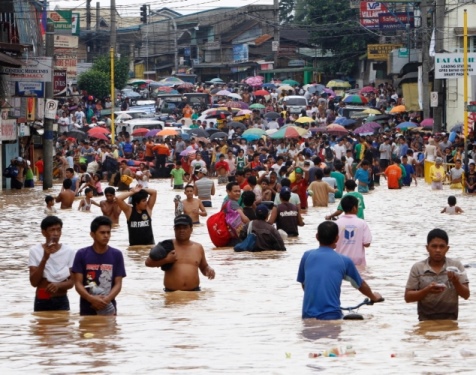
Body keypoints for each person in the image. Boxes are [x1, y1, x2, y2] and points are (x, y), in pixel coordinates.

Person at [297, 221, 382, 320]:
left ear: (317, 237)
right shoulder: (344, 260)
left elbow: (304, 285)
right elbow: (360, 285)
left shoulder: (307, 256)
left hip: (307, 315)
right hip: (332, 315)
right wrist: (374, 297)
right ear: (337, 238)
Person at [404, 228, 470, 321]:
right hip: (425, 321)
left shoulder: (455, 266)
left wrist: (456, 282)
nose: (438, 250)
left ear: (447, 248)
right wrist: (427, 290)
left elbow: (466, 295)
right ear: (427, 248)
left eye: (442, 246)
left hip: (450, 321)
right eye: (434, 246)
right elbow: (408, 297)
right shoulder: (418, 268)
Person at [72, 216, 127, 315]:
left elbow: (118, 284)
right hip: (87, 309)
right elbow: (78, 283)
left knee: (110, 329)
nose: (106, 236)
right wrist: (91, 299)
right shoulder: (82, 254)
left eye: (108, 232)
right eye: (102, 232)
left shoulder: (116, 254)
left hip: (109, 309)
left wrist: (106, 300)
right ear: (92, 234)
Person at [145, 214, 215, 291]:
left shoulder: (198, 248)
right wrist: (166, 260)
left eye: (185, 228)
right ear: (174, 229)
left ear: (191, 229)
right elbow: (148, 263)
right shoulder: (167, 246)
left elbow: (204, 267)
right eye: (178, 228)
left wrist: (209, 270)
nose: (181, 230)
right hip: (171, 294)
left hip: (194, 295)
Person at [28, 216, 76, 311]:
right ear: (44, 232)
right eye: (52, 230)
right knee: (42, 324)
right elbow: (34, 282)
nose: (56, 234)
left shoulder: (69, 251)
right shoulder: (35, 251)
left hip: (61, 298)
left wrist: (58, 285)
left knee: (63, 325)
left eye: (58, 230)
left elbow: (72, 282)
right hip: (42, 297)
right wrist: (45, 258)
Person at [335, 195, 372, 266]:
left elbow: (333, 244)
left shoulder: (337, 223)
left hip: (341, 260)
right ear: (354, 208)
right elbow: (367, 243)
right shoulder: (362, 223)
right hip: (358, 261)